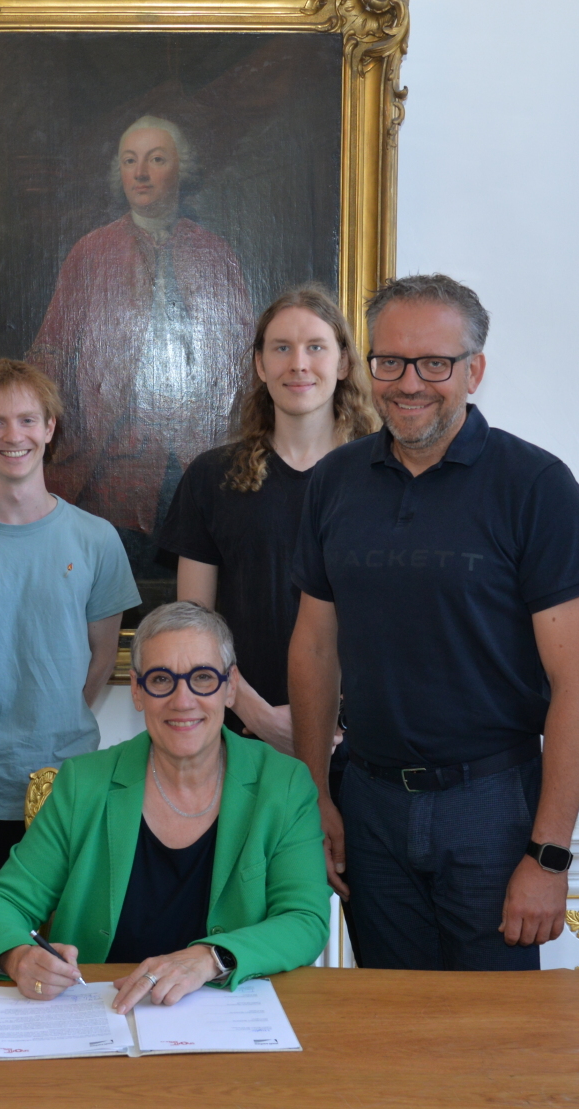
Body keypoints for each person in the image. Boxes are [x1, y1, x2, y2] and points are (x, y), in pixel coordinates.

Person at [287, 274, 579, 971]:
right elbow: (313, 649)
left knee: (493, 1043)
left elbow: (578, 684)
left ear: (474, 371)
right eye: (390, 361)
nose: (409, 383)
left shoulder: (536, 486)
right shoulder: (335, 482)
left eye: (435, 363)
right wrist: (315, 797)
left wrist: (548, 855)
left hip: (492, 808)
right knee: (391, 1032)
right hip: (367, 801)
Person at [0, 602, 329, 1014]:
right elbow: (1, 903)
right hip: (103, 1014)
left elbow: (304, 917)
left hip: (228, 1019)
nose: (183, 699)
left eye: (203, 678)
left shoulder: (283, 783)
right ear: (138, 691)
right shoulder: (84, 783)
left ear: (230, 687)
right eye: (162, 679)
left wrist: (212, 958)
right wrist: (17, 955)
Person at [0, 358, 142, 968]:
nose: (13, 435)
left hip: (69, 791)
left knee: (71, 963)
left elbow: (102, 658)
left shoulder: (96, 539)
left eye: (27, 419)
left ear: (50, 427)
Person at [28, 114, 255, 593]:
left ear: (180, 169)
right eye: (130, 161)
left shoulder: (214, 253)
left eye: (156, 159)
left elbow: (241, 363)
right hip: (108, 460)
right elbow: (51, 348)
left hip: (194, 459)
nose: (141, 173)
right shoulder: (91, 252)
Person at [159, 284, 380, 755]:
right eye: (282, 348)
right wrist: (257, 715)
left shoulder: (384, 479)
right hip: (243, 738)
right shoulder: (210, 478)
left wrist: (330, 720)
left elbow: (406, 619)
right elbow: (193, 628)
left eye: (315, 347)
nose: (298, 363)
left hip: (364, 747)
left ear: (343, 362)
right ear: (261, 365)